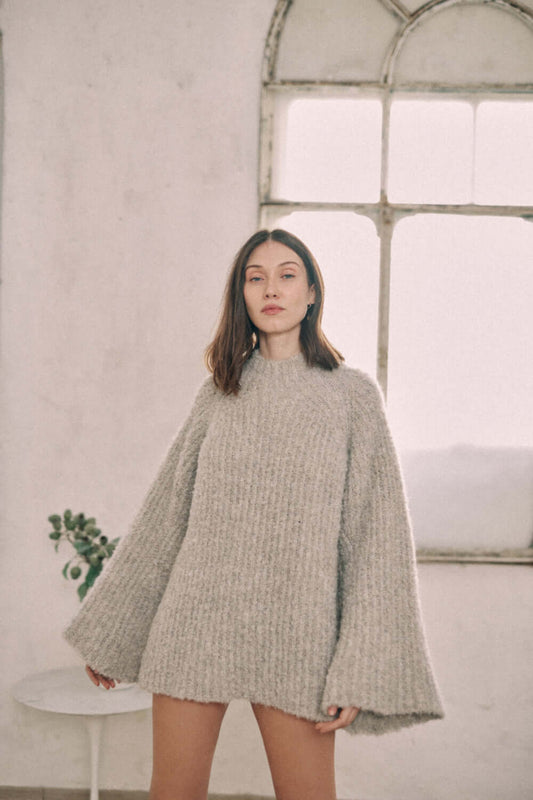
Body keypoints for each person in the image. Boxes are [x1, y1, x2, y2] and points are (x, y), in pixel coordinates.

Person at [63, 228, 444, 800]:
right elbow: (166, 514)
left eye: (287, 275)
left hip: (299, 635)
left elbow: (376, 539)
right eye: (255, 276)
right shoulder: (220, 391)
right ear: (241, 294)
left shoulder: (351, 397)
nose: (271, 288)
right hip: (194, 626)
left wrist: (358, 665)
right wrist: (111, 631)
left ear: (312, 292)